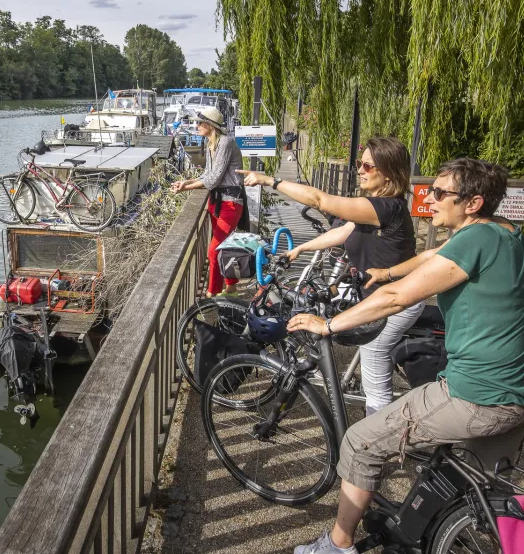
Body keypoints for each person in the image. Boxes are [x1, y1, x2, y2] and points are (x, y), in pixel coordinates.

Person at [287, 157, 524, 554]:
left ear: (473, 203)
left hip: (475, 393)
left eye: (440, 193)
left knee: (362, 442)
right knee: (482, 494)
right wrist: (388, 271)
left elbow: (396, 300)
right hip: (513, 393)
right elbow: (434, 258)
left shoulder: (475, 239)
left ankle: (338, 544)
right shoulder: (504, 233)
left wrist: (328, 325)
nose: (429, 199)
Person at [240, 137, 424, 415]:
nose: (359, 170)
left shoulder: (386, 208)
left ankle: (377, 433)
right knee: (324, 299)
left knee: (375, 371)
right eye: (360, 163)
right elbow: (343, 232)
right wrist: (301, 248)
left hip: (395, 302)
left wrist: (269, 181)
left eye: (367, 165)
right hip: (374, 293)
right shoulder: (376, 207)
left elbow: (319, 200)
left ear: (386, 173)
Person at [170, 106, 244, 298]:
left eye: (199, 122)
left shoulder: (225, 143)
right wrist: (185, 182)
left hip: (230, 203)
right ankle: (232, 288)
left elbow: (213, 179)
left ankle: (212, 293)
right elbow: (207, 175)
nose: (196, 126)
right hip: (217, 202)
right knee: (223, 247)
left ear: (210, 125)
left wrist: (186, 188)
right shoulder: (212, 143)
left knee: (214, 250)